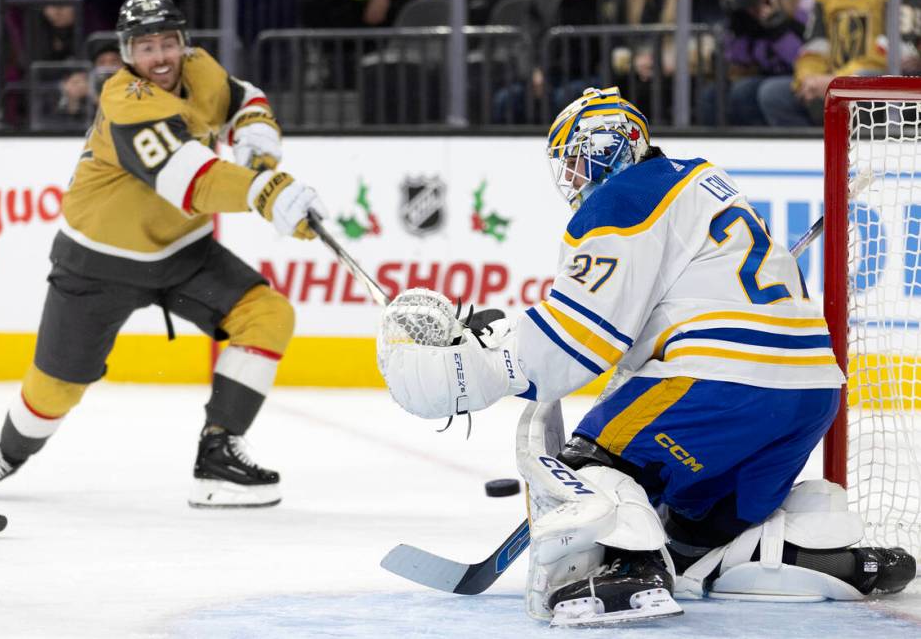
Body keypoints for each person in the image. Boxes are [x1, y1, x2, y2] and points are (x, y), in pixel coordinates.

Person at [377, 87, 916, 626]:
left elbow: (576, 337)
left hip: (722, 383)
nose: (574, 177)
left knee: (591, 462)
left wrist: (476, 370)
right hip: (809, 393)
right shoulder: (701, 179)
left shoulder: (627, 197)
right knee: (694, 535)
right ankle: (821, 558)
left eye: (576, 160)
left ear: (606, 148)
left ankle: (632, 571)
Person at [0, 0, 328, 509]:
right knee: (55, 389)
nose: (161, 56)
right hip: (97, 263)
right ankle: (10, 452)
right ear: (128, 53)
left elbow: (244, 100)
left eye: (168, 42)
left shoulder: (201, 69)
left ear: (184, 42)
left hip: (183, 252)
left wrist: (258, 155)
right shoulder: (125, 100)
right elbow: (188, 179)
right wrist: (266, 193)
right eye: (146, 46)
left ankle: (217, 458)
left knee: (267, 314)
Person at [758, 0, 921, 126]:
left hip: (884, 83)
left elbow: (899, 53)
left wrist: (837, 82)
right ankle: (814, 156)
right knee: (772, 94)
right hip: (831, 82)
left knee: (861, 83)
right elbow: (814, 48)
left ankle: (862, 152)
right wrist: (808, 79)